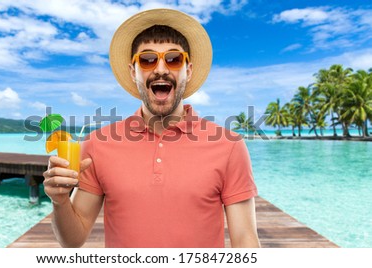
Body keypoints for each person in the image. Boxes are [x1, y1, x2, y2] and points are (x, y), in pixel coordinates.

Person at [43, 8, 260, 248]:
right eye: (147, 60)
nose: (160, 69)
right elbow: (72, 241)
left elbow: (245, 241)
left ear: (187, 70)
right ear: (132, 71)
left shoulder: (229, 146)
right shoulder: (96, 144)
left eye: (173, 59)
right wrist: (60, 201)